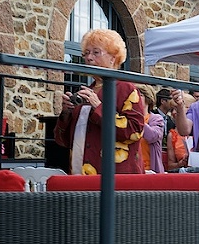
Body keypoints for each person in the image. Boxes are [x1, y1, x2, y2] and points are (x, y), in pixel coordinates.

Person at [54, 29, 145, 175]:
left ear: (113, 58)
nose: (89, 58)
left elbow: (134, 132)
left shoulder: (126, 89)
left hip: (114, 178)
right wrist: (66, 114)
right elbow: (62, 141)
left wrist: (98, 107)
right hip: (79, 176)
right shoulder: (85, 92)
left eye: (96, 52)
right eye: (86, 53)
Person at [137, 84, 165, 173]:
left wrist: (137, 117)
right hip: (134, 169)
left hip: (150, 170)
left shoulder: (156, 119)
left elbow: (152, 136)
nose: (135, 97)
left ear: (148, 99)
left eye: (140, 95)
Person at [166, 92, 197, 171]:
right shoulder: (172, 135)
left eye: (177, 109)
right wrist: (180, 163)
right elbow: (170, 165)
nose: (173, 112)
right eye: (172, 109)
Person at [153, 88, 176, 153]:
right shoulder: (152, 116)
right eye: (171, 99)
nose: (173, 102)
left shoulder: (170, 120)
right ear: (163, 101)